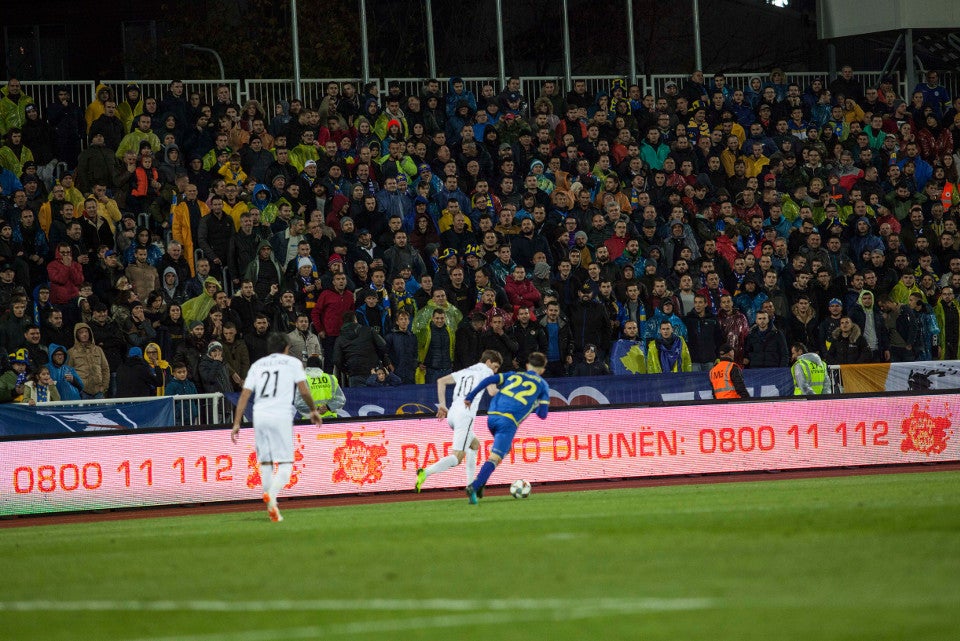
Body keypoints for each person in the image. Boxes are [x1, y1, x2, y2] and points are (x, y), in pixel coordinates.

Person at [231, 332, 323, 522]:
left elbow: (245, 395)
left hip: (260, 414)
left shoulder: (257, 365)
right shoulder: (293, 363)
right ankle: (271, 495)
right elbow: (304, 390)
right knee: (286, 463)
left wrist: (237, 422)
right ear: (287, 347)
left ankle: (271, 506)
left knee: (265, 461)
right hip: (280, 414)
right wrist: (313, 410)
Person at [462, 352, 551, 504]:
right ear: (542, 370)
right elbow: (542, 415)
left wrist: (470, 396)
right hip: (507, 422)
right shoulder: (542, 385)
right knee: (495, 457)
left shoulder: (513, 375)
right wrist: (535, 405)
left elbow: (490, 379)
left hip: (492, 416)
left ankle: (481, 483)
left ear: (527, 366)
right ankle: (475, 486)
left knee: (506, 449)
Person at [415, 349, 503, 493]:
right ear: (488, 362)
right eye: (495, 367)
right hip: (465, 415)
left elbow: (441, 381)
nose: (495, 371)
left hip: (452, 414)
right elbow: (492, 392)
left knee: (474, 445)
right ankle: (425, 472)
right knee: (457, 457)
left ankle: (470, 486)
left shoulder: (466, 370)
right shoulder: (487, 371)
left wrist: (442, 404)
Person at [294, 355, 345, 419]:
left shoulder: (303, 380)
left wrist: (316, 409)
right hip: (330, 419)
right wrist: (328, 407)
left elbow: (298, 403)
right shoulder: (331, 378)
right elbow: (341, 399)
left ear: (307, 366)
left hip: (310, 421)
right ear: (321, 365)